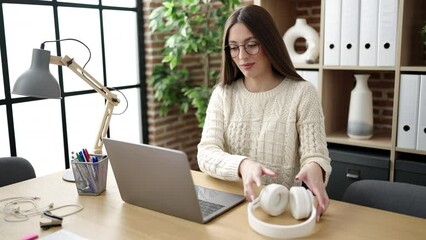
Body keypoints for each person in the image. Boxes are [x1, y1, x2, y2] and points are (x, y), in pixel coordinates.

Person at [197, 5, 332, 221]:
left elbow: (315, 155)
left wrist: (315, 167)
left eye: (251, 45)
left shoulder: (303, 93)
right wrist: (243, 165)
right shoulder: (223, 94)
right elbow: (206, 153)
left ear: (269, 43)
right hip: (234, 209)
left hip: (281, 212)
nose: (242, 56)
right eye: (233, 47)